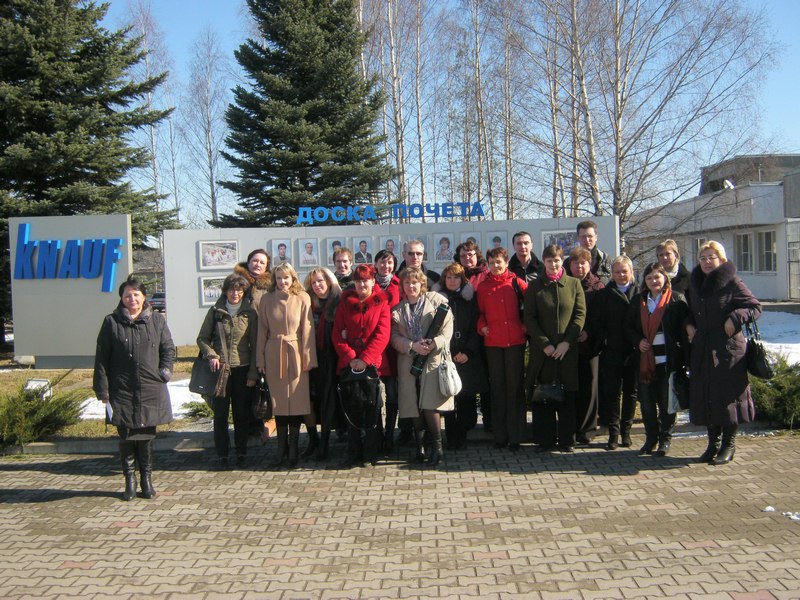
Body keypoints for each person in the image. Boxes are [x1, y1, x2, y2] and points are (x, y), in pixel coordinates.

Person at [93, 276, 175, 501]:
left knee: (146, 435)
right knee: (126, 435)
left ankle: (146, 478)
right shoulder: (111, 322)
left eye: (136, 295)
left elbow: (168, 348)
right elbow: (102, 358)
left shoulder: (156, 320)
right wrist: (103, 389)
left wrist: (165, 371)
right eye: (127, 295)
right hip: (122, 389)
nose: (132, 299)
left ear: (144, 297)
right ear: (121, 298)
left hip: (150, 387)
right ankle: (129, 479)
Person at [685, 241, 761, 465]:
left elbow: (754, 307)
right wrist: (689, 325)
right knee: (708, 395)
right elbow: (690, 311)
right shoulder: (695, 283)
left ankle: (728, 445)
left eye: (712, 257)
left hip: (728, 348)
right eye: (703, 258)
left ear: (721, 259)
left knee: (728, 396)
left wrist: (734, 318)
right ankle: (713, 445)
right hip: (703, 347)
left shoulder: (732, 282)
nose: (707, 262)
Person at [525, 245, 586, 452]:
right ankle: (545, 440)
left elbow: (579, 315)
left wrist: (567, 342)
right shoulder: (535, 286)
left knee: (567, 395)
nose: (553, 264)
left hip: (567, 351)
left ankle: (567, 440)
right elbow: (529, 318)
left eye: (557, 260)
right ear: (544, 262)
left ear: (562, 261)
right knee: (544, 395)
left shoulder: (574, 284)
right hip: (543, 352)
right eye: (549, 261)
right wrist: (545, 344)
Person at [625, 262, 690, 456]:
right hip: (646, 363)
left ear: (664, 278)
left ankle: (665, 440)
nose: (654, 281)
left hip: (668, 362)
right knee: (646, 404)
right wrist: (638, 341)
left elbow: (684, 330)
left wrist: (685, 359)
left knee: (666, 403)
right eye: (649, 278)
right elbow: (628, 327)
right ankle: (650, 439)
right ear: (644, 281)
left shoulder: (676, 299)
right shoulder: (639, 301)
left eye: (657, 277)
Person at [392, 267, 454, 466]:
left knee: (430, 404)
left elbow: (447, 330)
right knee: (412, 405)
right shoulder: (398, 309)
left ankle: (437, 448)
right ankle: (420, 448)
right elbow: (394, 337)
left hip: (432, 359)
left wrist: (433, 344)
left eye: (415, 282)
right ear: (402, 286)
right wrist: (412, 346)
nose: (411, 286)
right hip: (409, 360)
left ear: (422, 284)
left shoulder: (436, 302)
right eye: (407, 282)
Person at [257, 263, 317, 468]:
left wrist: (309, 358)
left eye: (286, 278)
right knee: (279, 402)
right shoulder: (266, 299)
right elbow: (261, 331)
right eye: (279, 278)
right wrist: (260, 360)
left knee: (297, 402)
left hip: (296, 353)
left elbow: (308, 329)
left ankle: (294, 447)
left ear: (293, 278)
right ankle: (280, 447)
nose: (283, 282)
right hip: (274, 352)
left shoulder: (303, 297)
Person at [196, 273, 258, 469]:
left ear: (244, 292)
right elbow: (202, 338)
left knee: (241, 414)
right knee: (221, 415)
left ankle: (241, 452)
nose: (235, 293)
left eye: (239, 290)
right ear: (225, 291)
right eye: (231, 290)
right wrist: (211, 355)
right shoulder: (216, 312)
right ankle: (222, 454)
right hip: (220, 370)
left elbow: (256, 345)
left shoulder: (250, 314)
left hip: (242, 369)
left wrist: (253, 373)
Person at [332, 264, 392, 467]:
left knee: (372, 409)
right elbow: (337, 332)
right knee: (352, 409)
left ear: (373, 281)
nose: (361, 285)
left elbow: (382, 335)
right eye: (358, 281)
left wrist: (364, 359)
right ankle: (353, 452)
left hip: (372, 364)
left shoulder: (381, 303)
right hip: (349, 364)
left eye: (365, 281)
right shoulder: (345, 303)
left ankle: (371, 452)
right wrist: (351, 357)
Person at [477, 247, 528, 450]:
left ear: (506, 263)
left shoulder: (517, 283)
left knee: (515, 389)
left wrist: (525, 326)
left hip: (515, 342)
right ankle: (500, 436)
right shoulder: (483, 287)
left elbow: (532, 306)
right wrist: (482, 326)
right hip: (493, 343)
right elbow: (479, 313)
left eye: (499, 262)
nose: (496, 266)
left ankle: (516, 436)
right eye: (492, 263)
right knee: (497, 389)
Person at [438, 263, 486, 450]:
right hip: (446, 355)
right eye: (449, 277)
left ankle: (463, 435)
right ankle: (451, 437)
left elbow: (476, 327)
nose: (452, 281)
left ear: (462, 280)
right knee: (449, 397)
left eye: (456, 277)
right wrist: (448, 353)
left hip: (466, 355)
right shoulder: (437, 300)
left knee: (466, 398)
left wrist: (468, 352)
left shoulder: (470, 299)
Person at [595, 255, 638, 450]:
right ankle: (613, 433)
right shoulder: (604, 294)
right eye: (617, 272)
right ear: (612, 274)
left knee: (631, 393)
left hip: (634, 351)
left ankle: (626, 432)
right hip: (612, 350)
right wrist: (605, 340)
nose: (621, 275)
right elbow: (597, 322)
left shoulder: (640, 293)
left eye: (624, 271)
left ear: (631, 272)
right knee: (613, 393)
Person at [567, 246, 605, 445]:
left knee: (590, 387)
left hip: (591, 345)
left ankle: (588, 430)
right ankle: (572, 428)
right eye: (575, 263)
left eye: (583, 263)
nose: (579, 267)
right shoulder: (565, 283)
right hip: (569, 345)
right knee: (572, 387)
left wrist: (588, 332)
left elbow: (601, 317)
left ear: (589, 264)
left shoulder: (597, 286)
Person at [304, 267, 342, 460]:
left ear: (329, 281)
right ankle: (313, 439)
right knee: (310, 399)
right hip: (310, 357)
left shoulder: (339, 301)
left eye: (320, 281)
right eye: (313, 282)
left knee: (329, 400)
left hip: (332, 358)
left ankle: (325, 442)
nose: (317, 285)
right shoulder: (307, 302)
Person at [455, 239, 492, 431]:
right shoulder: (455, 275)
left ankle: (490, 420)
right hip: (465, 336)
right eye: (463, 255)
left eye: (470, 254)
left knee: (488, 379)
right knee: (466, 381)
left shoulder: (487, 274)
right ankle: (467, 422)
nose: (467, 258)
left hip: (486, 334)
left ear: (477, 255)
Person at [374, 249, 402, 452]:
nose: (386, 266)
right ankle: (376, 434)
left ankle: (390, 433)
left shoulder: (399, 285)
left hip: (393, 347)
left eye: (390, 262)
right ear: (376, 264)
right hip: (374, 347)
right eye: (382, 262)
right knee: (375, 396)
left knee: (392, 394)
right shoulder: (369, 284)